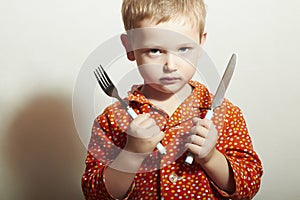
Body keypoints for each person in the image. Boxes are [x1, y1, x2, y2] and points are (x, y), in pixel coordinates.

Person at [81, 0, 263, 199]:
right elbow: (95, 194)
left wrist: (211, 158)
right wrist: (132, 154)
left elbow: (249, 186)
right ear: (130, 47)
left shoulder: (226, 114)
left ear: (200, 43)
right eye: (155, 50)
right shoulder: (110, 120)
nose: (170, 65)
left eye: (184, 49)